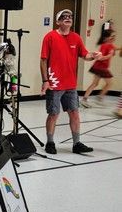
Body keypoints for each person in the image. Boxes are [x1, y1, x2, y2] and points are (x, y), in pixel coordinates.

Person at [40, 9, 99, 154]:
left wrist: (93, 56)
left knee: (74, 113)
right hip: (54, 83)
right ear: (58, 21)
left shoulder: (76, 38)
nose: (68, 18)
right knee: (54, 114)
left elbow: (85, 55)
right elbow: (43, 61)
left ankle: (76, 143)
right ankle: (50, 142)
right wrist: (45, 80)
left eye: (70, 17)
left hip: (71, 84)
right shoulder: (50, 37)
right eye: (64, 17)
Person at [81, 29, 117, 107]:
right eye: (112, 36)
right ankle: (100, 97)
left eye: (114, 36)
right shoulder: (105, 45)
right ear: (107, 37)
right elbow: (101, 57)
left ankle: (85, 99)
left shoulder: (111, 45)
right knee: (109, 83)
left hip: (99, 67)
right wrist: (109, 56)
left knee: (95, 83)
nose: (114, 37)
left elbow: (115, 48)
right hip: (101, 67)